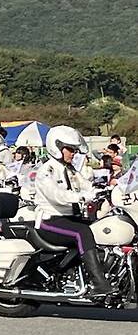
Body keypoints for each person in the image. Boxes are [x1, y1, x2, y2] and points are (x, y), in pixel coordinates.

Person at [34, 125, 114, 297]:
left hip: (69, 218)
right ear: (57, 147)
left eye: (74, 149)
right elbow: (58, 195)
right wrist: (83, 196)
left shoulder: (71, 170)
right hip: (50, 221)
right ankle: (98, 283)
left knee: (101, 226)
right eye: (70, 149)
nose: (74, 153)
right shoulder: (46, 171)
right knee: (82, 233)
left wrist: (108, 188)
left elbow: (87, 184)